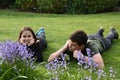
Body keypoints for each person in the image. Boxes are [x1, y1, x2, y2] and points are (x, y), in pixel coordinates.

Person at [48, 27, 119, 68]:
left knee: (109, 39)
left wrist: (82, 57)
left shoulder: (91, 46)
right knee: (96, 34)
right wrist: (64, 47)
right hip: (90, 36)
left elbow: (101, 65)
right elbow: (50, 60)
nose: (70, 46)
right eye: (70, 43)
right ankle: (99, 32)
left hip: (99, 41)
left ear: (81, 46)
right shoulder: (70, 45)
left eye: (74, 45)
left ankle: (113, 32)